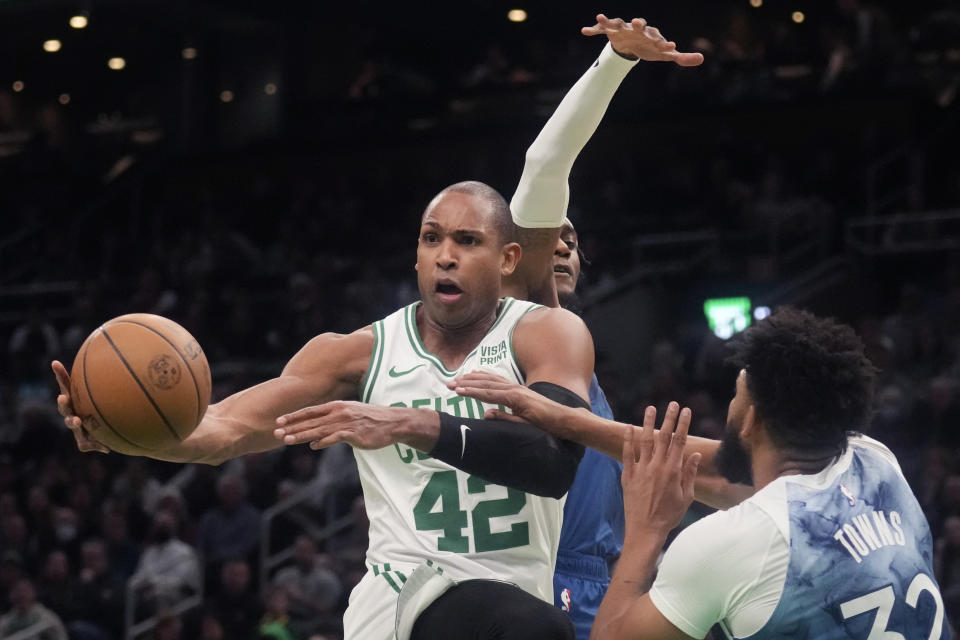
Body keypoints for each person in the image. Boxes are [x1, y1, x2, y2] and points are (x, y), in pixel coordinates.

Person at [53, 15, 705, 640]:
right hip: (410, 595)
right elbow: (219, 430)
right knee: (529, 626)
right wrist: (129, 435)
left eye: (467, 240)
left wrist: (404, 423)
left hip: (529, 588)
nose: (445, 254)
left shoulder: (547, 334)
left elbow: (549, 462)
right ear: (415, 254)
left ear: (508, 259)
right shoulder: (356, 352)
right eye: (431, 238)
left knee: (532, 622)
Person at [454, 308, 949, 639]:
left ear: (751, 419)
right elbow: (719, 468)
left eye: (737, 393)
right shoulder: (874, 460)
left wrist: (647, 531)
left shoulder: (735, 543)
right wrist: (569, 421)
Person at [548, 219, 624, 639]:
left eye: (571, 243)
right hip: (541, 575)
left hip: (598, 580)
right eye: (549, 238)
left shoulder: (580, 359)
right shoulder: (501, 354)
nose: (563, 250)